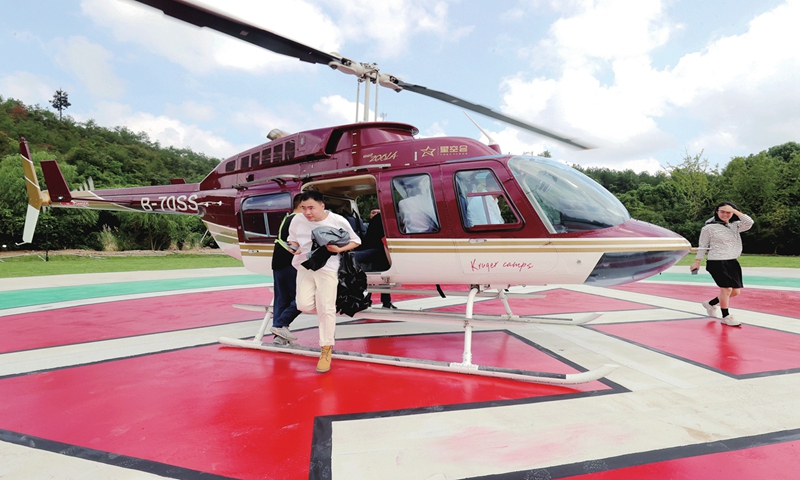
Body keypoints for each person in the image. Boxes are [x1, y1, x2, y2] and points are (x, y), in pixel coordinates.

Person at [287, 191, 361, 373]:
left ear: (322, 206)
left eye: (311, 207)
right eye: (303, 208)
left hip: (328, 268)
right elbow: (293, 240)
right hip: (304, 267)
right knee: (303, 304)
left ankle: (326, 350)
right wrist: (292, 248)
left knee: (326, 309)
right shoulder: (296, 220)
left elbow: (356, 241)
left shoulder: (337, 220)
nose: (307, 212)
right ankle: (328, 309)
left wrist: (338, 248)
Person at [690, 202, 754, 327]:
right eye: (722, 211)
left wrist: (734, 211)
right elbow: (703, 246)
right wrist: (697, 261)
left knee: (735, 292)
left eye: (728, 212)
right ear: (716, 212)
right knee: (726, 289)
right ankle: (726, 316)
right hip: (717, 261)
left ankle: (710, 303)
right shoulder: (708, 228)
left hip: (732, 261)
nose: (725, 214)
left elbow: (749, 222)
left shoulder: (735, 226)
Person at [268, 195, 303, 345]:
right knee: (303, 298)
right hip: (291, 263)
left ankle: (279, 335)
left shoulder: (287, 218)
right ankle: (280, 324)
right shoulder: (299, 220)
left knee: (281, 298)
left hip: (278, 262)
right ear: (302, 205)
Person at [354, 209, 395, 309]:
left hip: (375, 251)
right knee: (381, 278)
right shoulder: (380, 221)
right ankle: (384, 302)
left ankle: (370, 301)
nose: (375, 214)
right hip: (378, 253)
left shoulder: (373, 223)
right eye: (373, 212)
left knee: (374, 279)